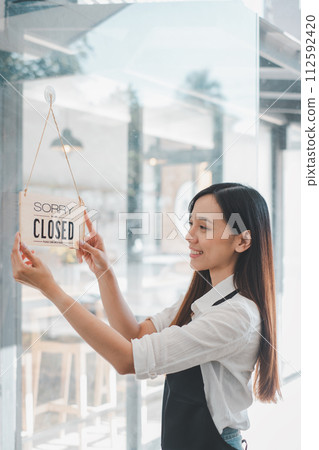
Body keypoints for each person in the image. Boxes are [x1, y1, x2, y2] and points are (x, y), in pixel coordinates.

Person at [11, 182, 282, 450]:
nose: (189, 235)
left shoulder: (236, 315)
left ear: (243, 240)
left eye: (204, 227)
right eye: (190, 224)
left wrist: (51, 289)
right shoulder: (205, 299)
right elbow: (135, 334)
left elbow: (127, 359)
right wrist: (104, 273)